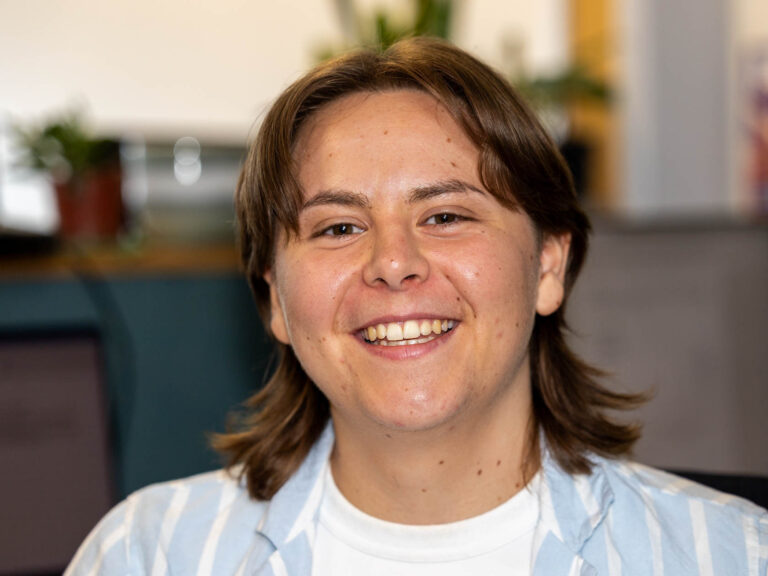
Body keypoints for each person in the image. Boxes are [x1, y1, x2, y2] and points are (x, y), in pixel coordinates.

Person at [65, 37, 767, 576]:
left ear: (548, 266)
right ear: (276, 298)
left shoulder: (734, 555)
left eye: (446, 216)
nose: (393, 261)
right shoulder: (148, 555)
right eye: (338, 227)